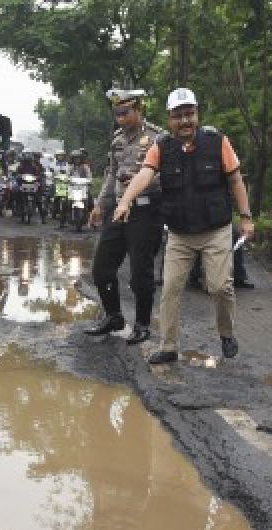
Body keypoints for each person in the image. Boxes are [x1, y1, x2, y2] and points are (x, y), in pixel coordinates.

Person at [113, 88, 254, 365]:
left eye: (189, 114)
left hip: (215, 230)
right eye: (178, 116)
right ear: (169, 119)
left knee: (219, 287)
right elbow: (144, 174)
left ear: (197, 115)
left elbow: (236, 180)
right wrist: (124, 202)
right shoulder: (162, 147)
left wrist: (246, 217)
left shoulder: (217, 142)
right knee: (171, 289)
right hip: (179, 233)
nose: (184, 121)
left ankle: (226, 333)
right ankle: (168, 346)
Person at [84, 88, 166, 345]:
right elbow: (111, 174)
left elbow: (169, 174)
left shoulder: (157, 137)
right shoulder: (117, 140)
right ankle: (114, 316)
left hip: (145, 210)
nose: (120, 117)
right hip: (118, 209)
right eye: (116, 112)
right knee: (101, 268)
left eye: (125, 111)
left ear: (139, 109)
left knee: (141, 272)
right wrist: (99, 205)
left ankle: (142, 324)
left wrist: (144, 180)